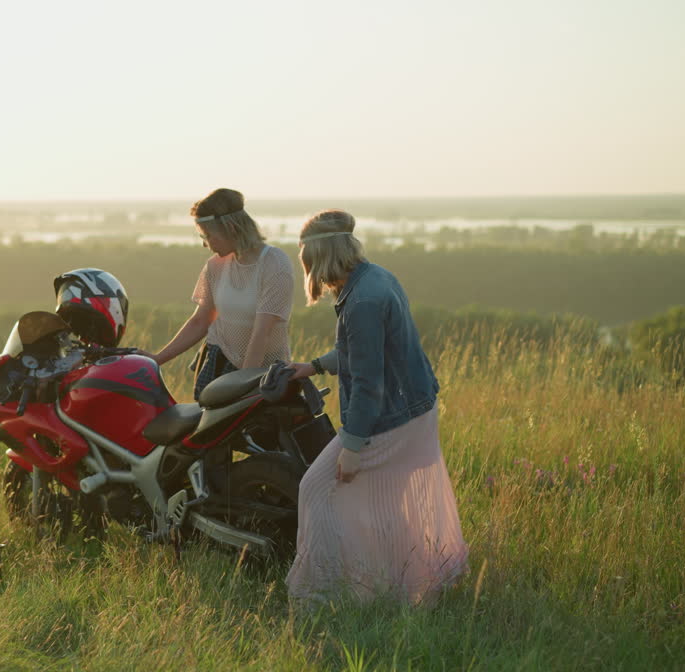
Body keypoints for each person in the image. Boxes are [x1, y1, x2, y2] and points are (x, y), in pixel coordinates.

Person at [285, 208, 467, 606]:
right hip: (410, 408)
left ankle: (326, 592)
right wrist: (315, 367)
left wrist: (351, 448)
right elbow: (360, 350)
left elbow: (369, 382)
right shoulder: (374, 277)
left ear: (320, 257)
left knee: (316, 488)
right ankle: (400, 587)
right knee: (387, 505)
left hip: (391, 417)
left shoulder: (363, 300)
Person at [149, 188, 294, 399]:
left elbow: (261, 332)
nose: (205, 243)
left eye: (208, 236)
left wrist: (243, 385)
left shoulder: (274, 264)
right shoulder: (215, 266)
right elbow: (200, 321)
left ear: (231, 229)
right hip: (217, 363)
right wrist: (157, 359)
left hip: (263, 371)